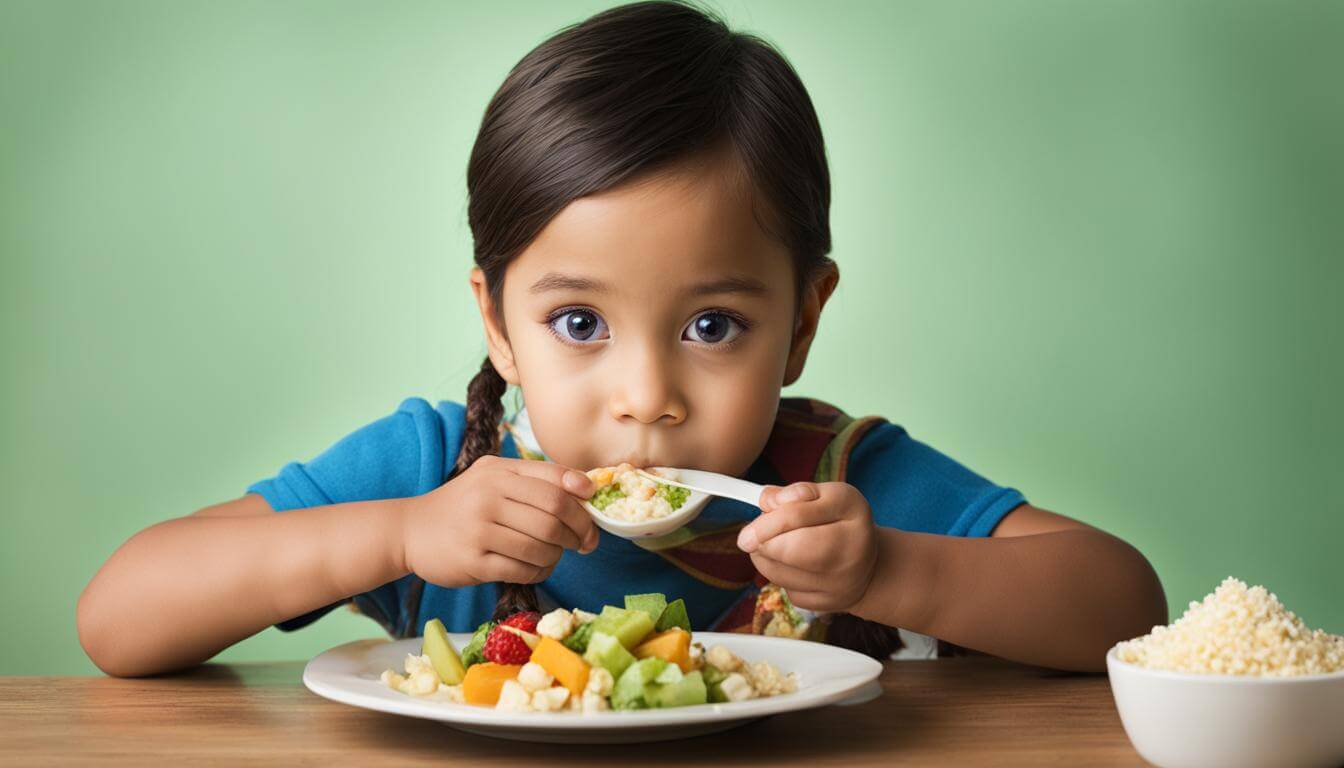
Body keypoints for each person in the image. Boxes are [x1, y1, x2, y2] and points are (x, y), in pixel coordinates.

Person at [77, 1, 1166, 678]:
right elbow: (119, 616)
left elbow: (1124, 607)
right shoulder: (438, 473)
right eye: (579, 324)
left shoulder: (834, 486)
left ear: (804, 324)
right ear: (498, 326)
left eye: (712, 326)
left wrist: (888, 569)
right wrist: (400, 535)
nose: (647, 395)